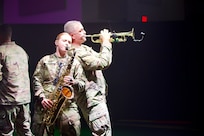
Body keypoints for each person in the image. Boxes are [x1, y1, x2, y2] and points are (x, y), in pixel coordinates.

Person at [64, 20, 112, 136]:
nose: (85, 32)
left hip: (96, 97)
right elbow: (103, 63)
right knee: (102, 132)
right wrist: (105, 43)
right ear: (72, 36)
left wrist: (104, 42)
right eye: (81, 31)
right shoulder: (77, 52)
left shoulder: (84, 48)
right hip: (92, 99)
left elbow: (101, 57)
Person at [31, 32, 85, 136]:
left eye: (69, 42)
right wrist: (42, 98)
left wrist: (74, 82)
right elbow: (36, 80)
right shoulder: (45, 60)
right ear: (56, 42)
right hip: (46, 105)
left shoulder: (75, 63)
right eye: (64, 41)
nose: (67, 44)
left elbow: (82, 84)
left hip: (67, 106)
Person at [0, 24, 33, 135]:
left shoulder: (1, 51)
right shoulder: (21, 51)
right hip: (24, 100)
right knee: (25, 131)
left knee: (6, 132)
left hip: (7, 101)